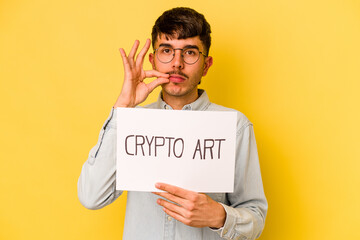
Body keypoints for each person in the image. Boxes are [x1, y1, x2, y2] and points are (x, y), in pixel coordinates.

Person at [78, 7, 267, 240]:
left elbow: (256, 216)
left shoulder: (234, 127)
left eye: (189, 53)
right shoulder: (132, 122)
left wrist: (219, 215)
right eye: (167, 50)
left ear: (206, 65)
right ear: (153, 60)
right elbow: (91, 196)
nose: (177, 63)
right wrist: (123, 108)